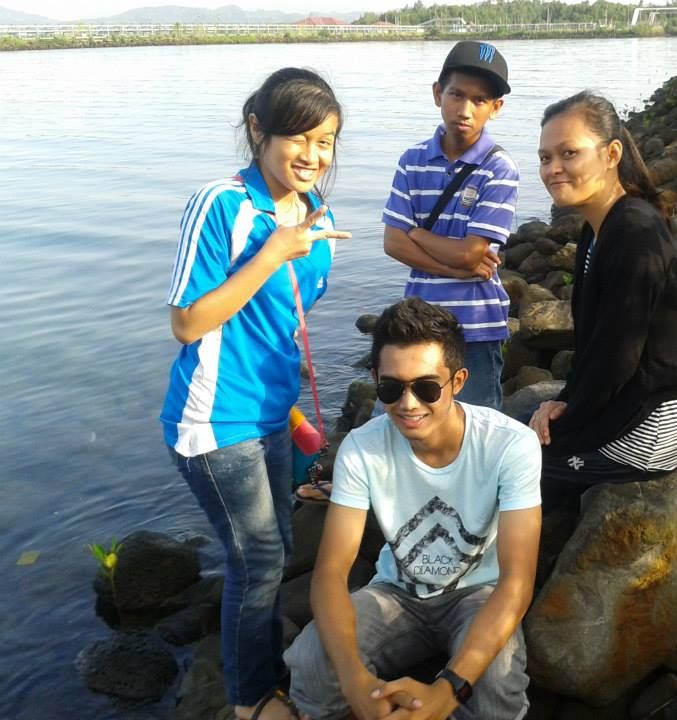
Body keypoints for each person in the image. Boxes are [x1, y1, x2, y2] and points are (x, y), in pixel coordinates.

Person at [160, 67, 351, 720]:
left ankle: (265, 668)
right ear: (257, 130)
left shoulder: (318, 214)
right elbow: (187, 322)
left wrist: (292, 390)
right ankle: (250, 701)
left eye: (325, 141)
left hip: (273, 414)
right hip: (216, 419)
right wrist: (272, 253)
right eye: (298, 137)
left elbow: (284, 317)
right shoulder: (221, 204)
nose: (312, 155)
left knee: (276, 552)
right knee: (260, 559)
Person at [284, 297, 542, 720]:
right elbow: (330, 572)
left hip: (479, 594)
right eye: (391, 388)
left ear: (458, 381)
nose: (408, 404)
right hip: (396, 592)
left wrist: (450, 689)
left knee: (496, 683)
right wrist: (354, 680)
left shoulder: (510, 445)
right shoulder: (362, 449)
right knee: (313, 660)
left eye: (426, 387)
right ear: (374, 379)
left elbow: (517, 581)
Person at [529, 91, 677, 509]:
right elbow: (595, 345)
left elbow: (616, 358)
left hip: (655, 421)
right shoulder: (597, 229)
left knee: (507, 466)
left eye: (569, 153)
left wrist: (567, 420)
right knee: (517, 435)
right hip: (629, 397)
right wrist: (563, 401)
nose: (553, 169)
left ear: (611, 154)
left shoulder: (634, 233)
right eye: (545, 158)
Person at [381, 40, 518, 411]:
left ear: (496, 107)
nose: (465, 109)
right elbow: (393, 243)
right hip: (419, 323)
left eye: (480, 100)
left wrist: (417, 233)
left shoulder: (499, 168)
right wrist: (455, 268)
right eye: (457, 94)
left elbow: (471, 253)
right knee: (410, 420)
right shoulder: (412, 160)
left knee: (475, 425)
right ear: (438, 93)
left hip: (476, 326)